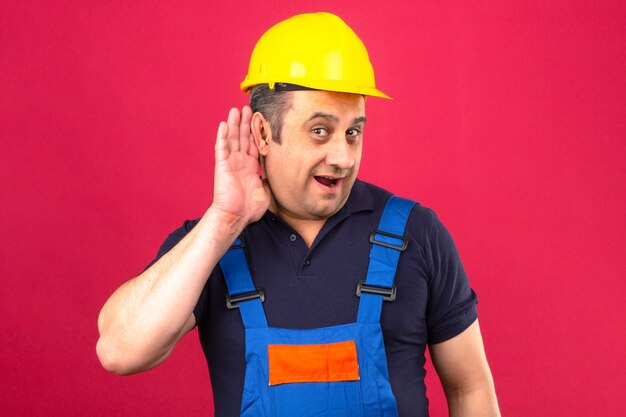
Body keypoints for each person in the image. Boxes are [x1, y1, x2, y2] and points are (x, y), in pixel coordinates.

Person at [97, 12, 500, 417]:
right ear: (263, 134)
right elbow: (119, 350)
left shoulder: (417, 234)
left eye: (353, 132)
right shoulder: (213, 243)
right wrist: (223, 222)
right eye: (320, 131)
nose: (342, 157)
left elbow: (470, 389)